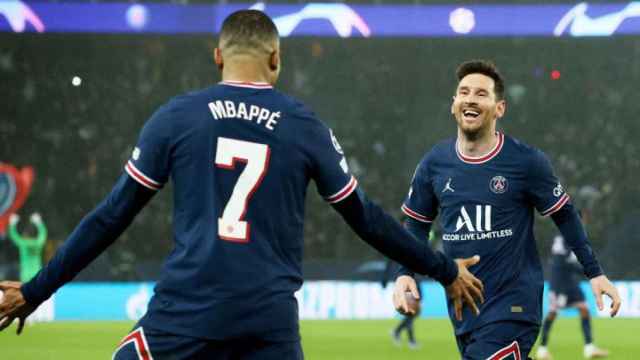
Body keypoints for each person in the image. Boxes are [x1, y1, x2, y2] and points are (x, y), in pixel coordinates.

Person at [0, 10, 484, 359]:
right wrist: (443, 268)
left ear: (217, 57)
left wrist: (37, 291)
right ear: (276, 57)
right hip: (267, 326)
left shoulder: (176, 117)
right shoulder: (303, 125)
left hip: (183, 318)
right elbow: (367, 218)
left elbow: (111, 217)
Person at [393, 59, 621, 360]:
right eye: (464, 92)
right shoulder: (434, 163)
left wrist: (595, 272)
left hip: (513, 306)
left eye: (481, 93)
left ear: (499, 108)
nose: (470, 99)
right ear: (453, 104)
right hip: (464, 309)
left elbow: (564, 214)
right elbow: (417, 224)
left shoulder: (525, 162)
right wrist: (404, 272)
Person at [536, 210, 609, 360]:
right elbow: (561, 262)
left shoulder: (570, 236)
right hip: (560, 283)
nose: (584, 224)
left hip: (570, 282)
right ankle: (542, 349)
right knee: (552, 313)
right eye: (582, 221)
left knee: (584, 309)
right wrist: (588, 272)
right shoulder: (565, 236)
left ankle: (589, 348)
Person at [8, 213, 47, 282]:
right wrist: (39, 223)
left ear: (24, 236)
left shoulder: (23, 243)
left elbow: (14, 236)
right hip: (38, 275)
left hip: (25, 277)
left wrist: (12, 224)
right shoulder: (38, 243)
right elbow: (43, 234)